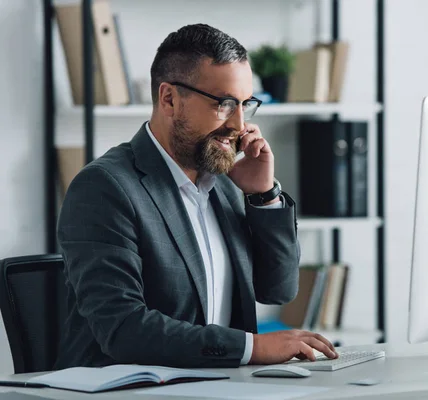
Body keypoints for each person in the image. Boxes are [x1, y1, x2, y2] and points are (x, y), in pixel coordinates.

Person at [54, 23, 338, 369]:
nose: (238, 125)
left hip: (223, 386)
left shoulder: (224, 181)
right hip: (132, 390)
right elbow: (123, 328)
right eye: (225, 104)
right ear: (169, 99)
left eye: (245, 105)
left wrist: (264, 196)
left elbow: (278, 290)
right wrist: (253, 348)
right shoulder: (105, 187)